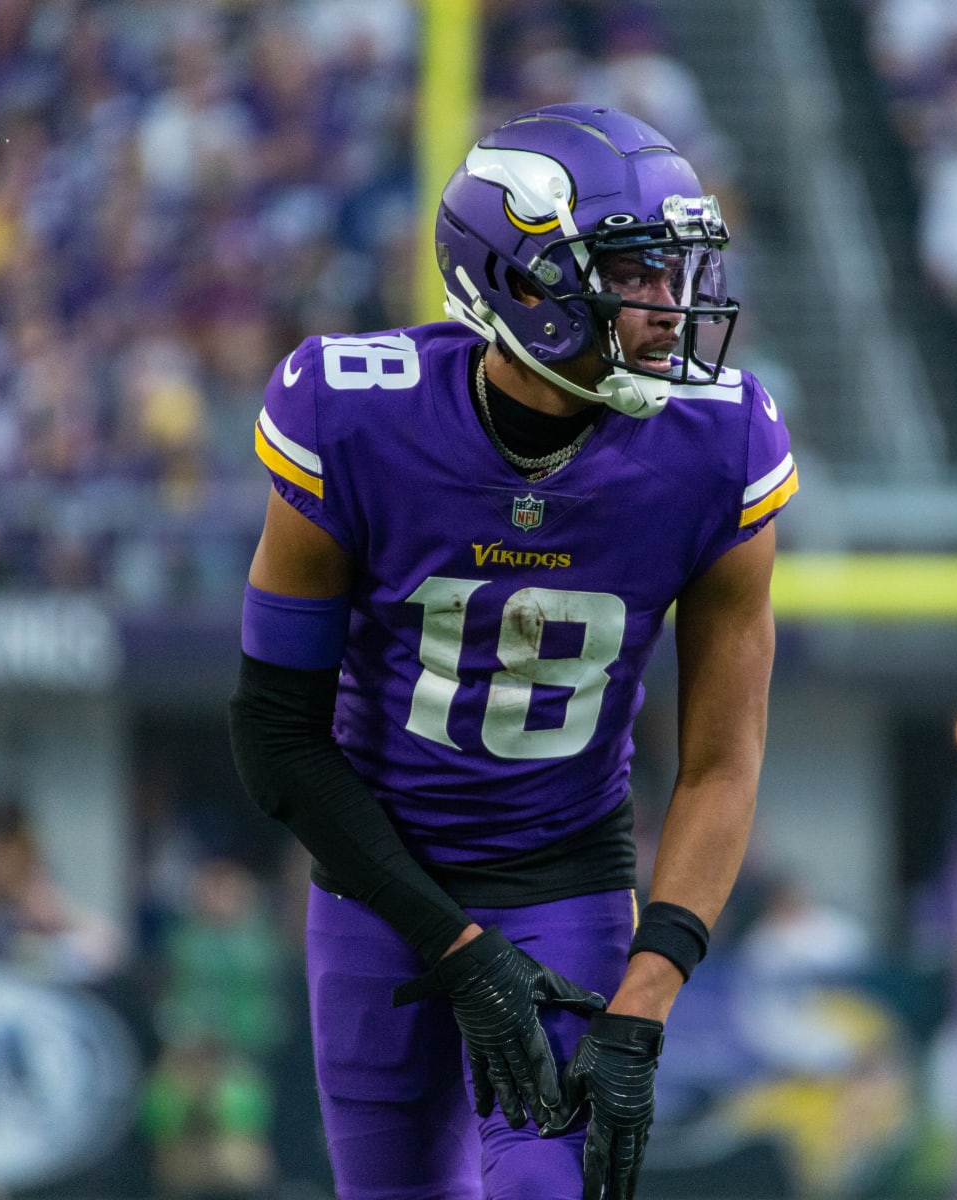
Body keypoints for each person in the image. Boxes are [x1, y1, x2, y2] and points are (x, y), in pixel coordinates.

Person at [229, 103, 796, 1200]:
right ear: (522, 282)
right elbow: (276, 736)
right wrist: (451, 943)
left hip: (565, 881)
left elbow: (723, 764)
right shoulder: (355, 421)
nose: (669, 311)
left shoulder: (716, 447)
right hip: (376, 890)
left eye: (678, 276)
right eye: (636, 274)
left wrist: (645, 997)